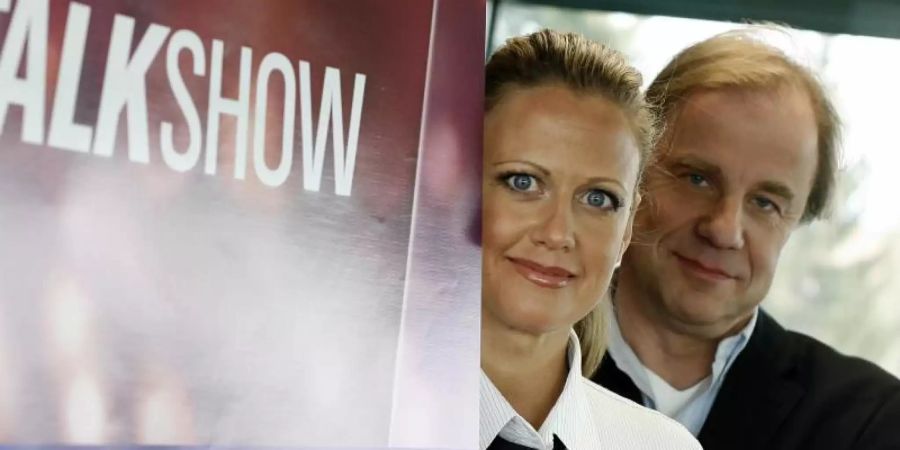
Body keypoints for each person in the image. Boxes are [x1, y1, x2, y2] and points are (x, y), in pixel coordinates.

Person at [591, 29, 900, 449]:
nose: (723, 229)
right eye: (697, 178)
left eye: (765, 203)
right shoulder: (504, 363)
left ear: (797, 219)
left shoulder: (870, 420)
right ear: (632, 173)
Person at [481, 29, 701, 450]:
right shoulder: (338, 414)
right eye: (523, 182)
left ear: (628, 229)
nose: (558, 233)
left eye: (598, 199)